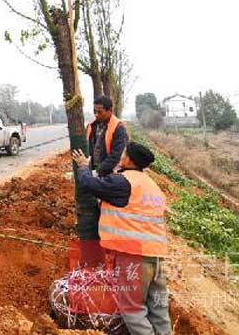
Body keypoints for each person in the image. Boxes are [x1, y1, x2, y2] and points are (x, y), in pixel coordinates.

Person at [72, 142, 171, 335]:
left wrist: (83, 166)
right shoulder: (151, 185)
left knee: (132, 309)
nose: (120, 155)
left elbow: (89, 184)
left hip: (133, 255)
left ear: (129, 159)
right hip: (156, 256)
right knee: (159, 309)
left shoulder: (123, 182)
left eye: (123, 153)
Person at [87, 95, 128, 176]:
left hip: (110, 173)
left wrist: (98, 171)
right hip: (94, 168)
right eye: (94, 111)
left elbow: (116, 155)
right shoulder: (92, 125)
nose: (96, 114)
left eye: (99, 112)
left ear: (109, 111)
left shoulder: (118, 128)